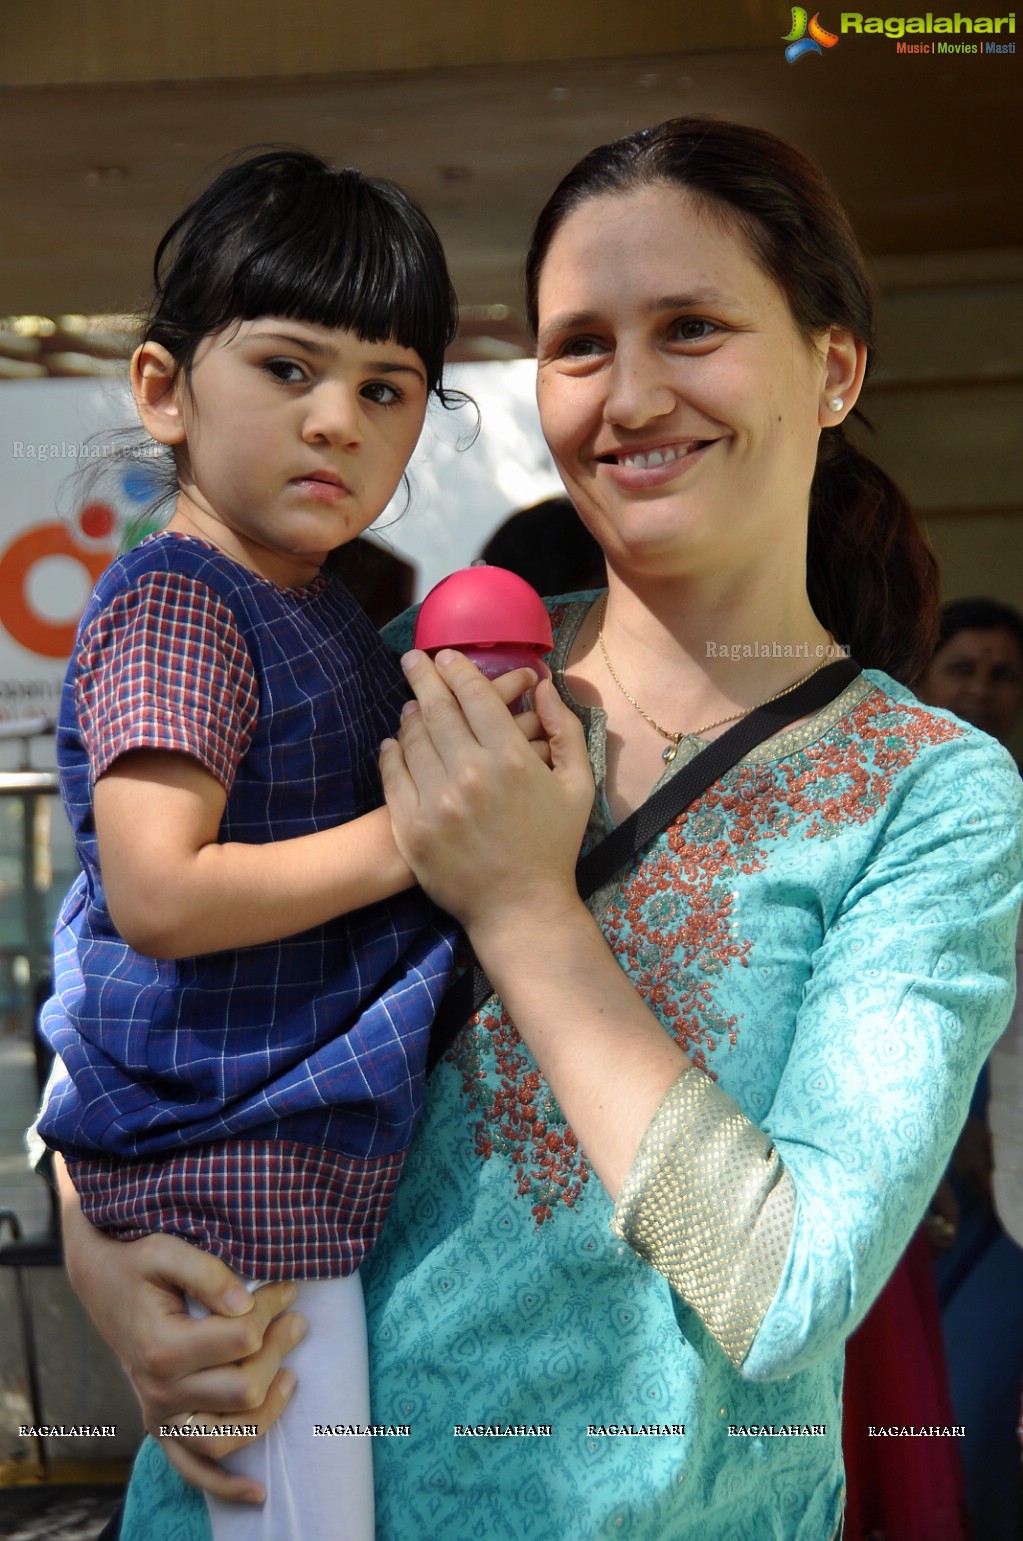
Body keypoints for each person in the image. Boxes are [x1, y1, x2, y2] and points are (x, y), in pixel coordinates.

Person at [53, 118, 1023, 1541]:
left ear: (831, 367)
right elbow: (133, 965)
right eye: (577, 345)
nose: (628, 395)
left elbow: (787, 1287)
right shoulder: (409, 677)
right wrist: (99, 1256)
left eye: (688, 328)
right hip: (243, 1499)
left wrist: (519, 907)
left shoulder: (924, 790)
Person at [33, 149, 537, 1541]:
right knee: (304, 1512)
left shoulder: (299, 601)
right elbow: (156, 889)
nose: (335, 421)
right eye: (286, 369)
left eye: (382, 388)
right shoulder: (183, 607)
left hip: (264, 1129)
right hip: (234, 1155)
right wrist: (423, 838)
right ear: (161, 390)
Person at [916, 597, 1023, 1541]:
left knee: (976, 1419)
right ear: (923, 674)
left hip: (1001, 1177)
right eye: (963, 667)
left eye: (1002, 674)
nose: (982, 689)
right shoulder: (877, 801)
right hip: (905, 1149)